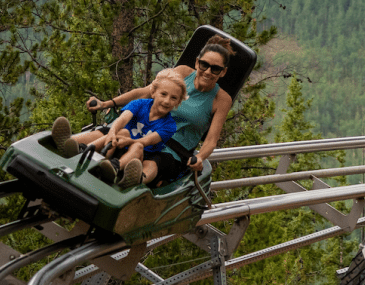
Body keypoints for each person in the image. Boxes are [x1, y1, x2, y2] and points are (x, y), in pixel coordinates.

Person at [85, 34, 235, 186]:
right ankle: (71, 145)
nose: (208, 72)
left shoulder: (221, 99)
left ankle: (133, 179)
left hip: (173, 149)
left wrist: (200, 157)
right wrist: (107, 104)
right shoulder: (182, 73)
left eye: (215, 69)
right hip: (146, 129)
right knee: (110, 133)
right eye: (204, 65)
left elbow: (211, 139)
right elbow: (145, 92)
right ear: (197, 63)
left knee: (156, 161)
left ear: (223, 72)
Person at [51, 68, 187, 188]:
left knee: (137, 145)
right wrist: (112, 132)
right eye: (163, 94)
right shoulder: (140, 104)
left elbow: (147, 141)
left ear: (178, 102)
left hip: (137, 156)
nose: (167, 101)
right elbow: (122, 119)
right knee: (123, 131)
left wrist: (125, 141)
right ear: (153, 92)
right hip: (117, 144)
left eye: (173, 98)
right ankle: (82, 149)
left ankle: (116, 167)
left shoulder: (169, 125)